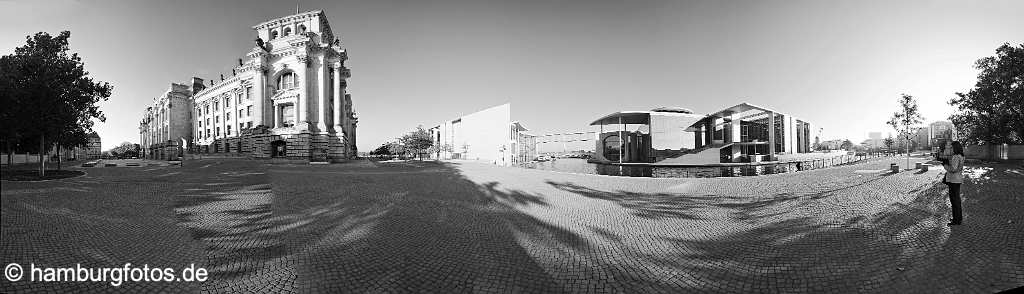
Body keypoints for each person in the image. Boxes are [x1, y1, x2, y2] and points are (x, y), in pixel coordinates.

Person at [941, 141, 965, 226]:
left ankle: (956, 220)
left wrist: (945, 165)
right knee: (957, 200)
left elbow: (953, 169)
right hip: (958, 179)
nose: (951, 149)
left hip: (953, 180)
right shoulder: (961, 156)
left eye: (952, 147)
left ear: (955, 148)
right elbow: (958, 168)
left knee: (954, 200)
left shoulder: (955, 156)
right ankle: (958, 218)